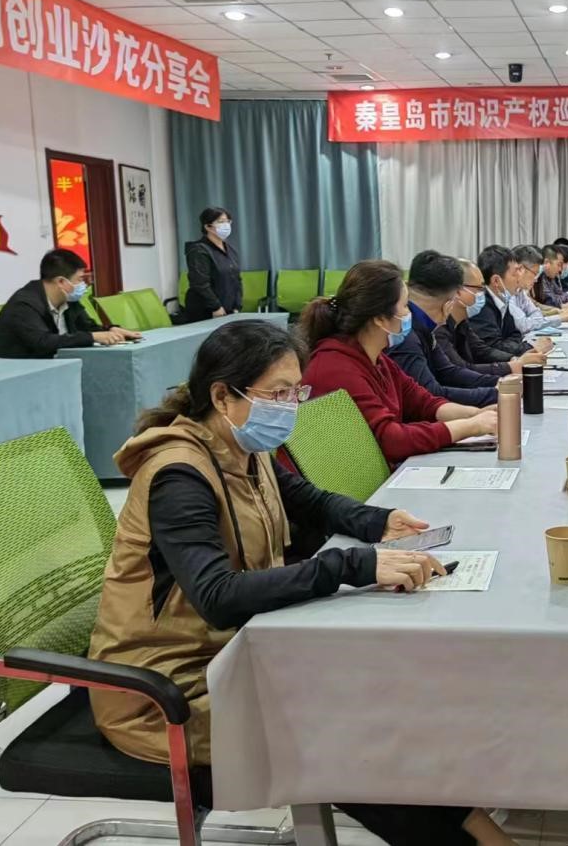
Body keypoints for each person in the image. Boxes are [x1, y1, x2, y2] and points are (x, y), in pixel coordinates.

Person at [87, 320, 514, 846]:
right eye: (277, 394)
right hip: (169, 692)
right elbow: (218, 597)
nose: (289, 407)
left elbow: (307, 499)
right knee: (346, 735)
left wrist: (377, 521)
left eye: (296, 392)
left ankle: (478, 829)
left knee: (382, 700)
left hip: (243, 652)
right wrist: (353, 565)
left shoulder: (241, 448)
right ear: (222, 396)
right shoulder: (179, 475)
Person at [299, 260, 497, 467]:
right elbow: (391, 439)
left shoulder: (377, 358)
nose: (409, 313)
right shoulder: (336, 367)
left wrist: (476, 414)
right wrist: (470, 426)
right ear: (380, 318)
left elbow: (423, 402)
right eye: (404, 306)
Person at [387, 250, 498, 407]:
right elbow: (430, 396)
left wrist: (500, 386)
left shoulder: (424, 328)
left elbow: (448, 372)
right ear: (451, 302)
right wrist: (495, 395)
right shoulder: (406, 339)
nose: (408, 312)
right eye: (405, 305)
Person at [0, 249, 140, 360]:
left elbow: (87, 327)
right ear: (61, 281)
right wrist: (93, 337)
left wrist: (111, 330)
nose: (84, 285)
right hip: (12, 375)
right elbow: (43, 342)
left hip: (52, 367)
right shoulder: (24, 304)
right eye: (80, 279)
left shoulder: (69, 301)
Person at [434, 258, 545, 381]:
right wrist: (511, 366)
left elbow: (481, 350)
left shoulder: (461, 322)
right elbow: (460, 370)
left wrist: (514, 360)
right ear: (459, 291)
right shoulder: (439, 329)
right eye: (479, 289)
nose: (483, 294)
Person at [183, 207, 242, 322]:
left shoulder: (230, 250)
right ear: (208, 227)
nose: (226, 225)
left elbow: (237, 279)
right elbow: (200, 283)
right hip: (206, 310)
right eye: (221, 222)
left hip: (228, 308)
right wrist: (216, 307)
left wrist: (237, 305)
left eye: (228, 221)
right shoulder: (198, 250)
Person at [508, 244, 568, 333]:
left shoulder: (520, 291)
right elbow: (523, 325)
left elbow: (536, 313)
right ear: (521, 270)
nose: (536, 279)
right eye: (535, 274)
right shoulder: (508, 292)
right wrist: (557, 317)